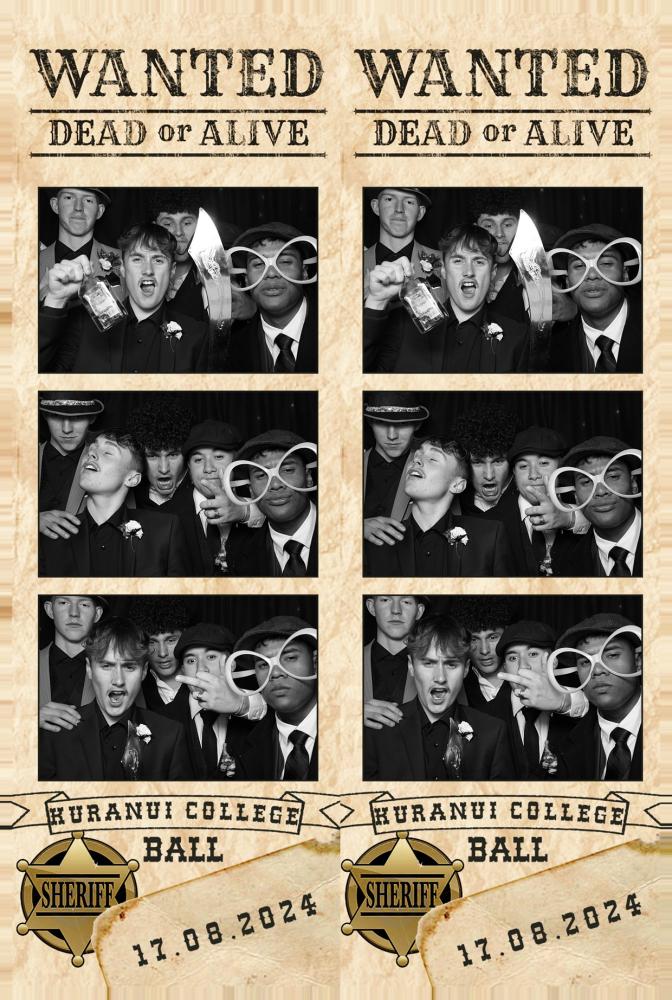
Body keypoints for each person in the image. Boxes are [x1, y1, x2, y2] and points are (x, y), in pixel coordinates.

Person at [39, 222, 210, 373]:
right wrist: (56, 300)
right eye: (137, 259)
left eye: (158, 260)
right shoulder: (83, 327)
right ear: (122, 268)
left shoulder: (197, 336)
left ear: (172, 270)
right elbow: (36, 378)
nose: (148, 270)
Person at [38, 618, 192, 780]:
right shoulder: (56, 733)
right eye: (106, 666)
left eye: (129, 667)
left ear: (144, 671)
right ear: (89, 669)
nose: (118, 680)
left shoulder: (170, 735)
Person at [364, 223, 530, 373]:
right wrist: (376, 301)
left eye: (479, 261)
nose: (469, 271)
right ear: (443, 269)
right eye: (458, 261)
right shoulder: (403, 327)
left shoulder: (517, 338)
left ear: (493, 272)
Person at [363, 614, 513, 780]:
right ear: (411, 666)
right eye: (428, 663)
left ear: (465, 669)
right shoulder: (378, 732)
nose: (440, 677)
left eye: (451, 664)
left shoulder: (493, 733)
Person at [38, 430, 189, 577]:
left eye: (107, 453)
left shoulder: (164, 531)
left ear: (132, 479)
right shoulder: (52, 536)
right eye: (91, 449)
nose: (91, 454)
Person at [364, 437, 512, 577]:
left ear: (457, 485)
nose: (417, 461)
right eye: (416, 457)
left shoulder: (488, 537)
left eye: (433, 459)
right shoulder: (378, 540)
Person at [163, 624, 260, 780]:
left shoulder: (255, 712)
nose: (201, 669)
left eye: (211, 657)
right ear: (183, 670)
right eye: (191, 660)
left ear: (231, 664)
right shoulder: (163, 720)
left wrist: (241, 705)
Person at [554, 614, 642, 780]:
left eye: (612, 655)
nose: (597, 670)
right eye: (585, 662)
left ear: (638, 662)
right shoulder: (567, 744)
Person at [170, 419, 261, 576]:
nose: (208, 468)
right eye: (198, 460)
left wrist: (244, 511)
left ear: (236, 461)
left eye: (218, 457)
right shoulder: (166, 516)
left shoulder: (261, 504)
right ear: (189, 467)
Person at [231, 617, 318, 780]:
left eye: (290, 658)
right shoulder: (240, 747)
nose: (275, 673)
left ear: (316, 663)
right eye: (263, 664)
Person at [224, 222, 318, 373]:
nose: (271, 273)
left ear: (304, 271)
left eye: (285, 261)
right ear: (246, 279)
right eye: (258, 264)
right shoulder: (231, 352)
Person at [548, 223, 642, 373]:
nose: (592, 275)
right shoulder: (552, 353)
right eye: (579, 266)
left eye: (605, 263)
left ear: (625, 273)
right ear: (567, 280)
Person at [225, 430, 318, 577]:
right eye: (261, 475)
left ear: (308, 478)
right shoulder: (238, 553)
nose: (275, 484)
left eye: (287, 470)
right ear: (251, 490)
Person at [494, 621, 577, 779]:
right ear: (504, 667)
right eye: (513, 658)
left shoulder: (577, 713)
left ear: (553, 661)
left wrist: (563, 703)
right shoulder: (485, 718)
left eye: (532, 654)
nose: (523, 667)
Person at [553, 437, 642, 577]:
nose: (600, 491)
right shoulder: (564, 564)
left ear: (634, 485)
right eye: (586, 482)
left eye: (613, 476)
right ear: (576, 496)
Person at [363, 393, 429, 547]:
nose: (392, 436)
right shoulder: (343, 468)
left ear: (417, 424)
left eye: (403, 423)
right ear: (370, 422)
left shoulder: (432, 470)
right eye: (381, 422)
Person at [38, 393, 104, 541]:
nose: (66, 429)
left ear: (92, 417)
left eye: (77, 417)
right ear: (45, 415)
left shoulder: (107, 464)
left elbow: (126, 526)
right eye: (56, 416)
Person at [38, 595, 106, 731]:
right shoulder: (19, 667)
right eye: (64, 602)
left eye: (84, 604)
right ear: (50, 610)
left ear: (97, 614)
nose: (74, 613)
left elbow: (138, 730)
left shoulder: (118, 669)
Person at [39, 187, 117, 302]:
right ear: (55, 205)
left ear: (99, 211)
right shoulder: (29, 264)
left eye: (88, 200)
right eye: (69, 197)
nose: (78, 208)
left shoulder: (125, 261)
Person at [363, 187, 443, 299]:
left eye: (409, 202)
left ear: (420, 212)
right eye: (389, 199)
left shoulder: (446, 263)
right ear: (376, 206)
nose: (399, 209)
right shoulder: (349, 266)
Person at [363, 595, 426, 729]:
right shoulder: (344, 664)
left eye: (406, 602)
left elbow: (459, 726)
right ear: (371, 607)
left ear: (419, 611)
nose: (396, 610)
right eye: (385, 600)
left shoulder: (440, 665)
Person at [127, 396, 194, 512]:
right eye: (152, 456)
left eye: (173, 455)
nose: (164, 469)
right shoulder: (129, 495)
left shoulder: (201, 494)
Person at [469, 189, 527, 323]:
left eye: (507, 225)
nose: (499, 234)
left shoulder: (535, 274)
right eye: (489, 225)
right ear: (475, 230)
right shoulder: (463, 273)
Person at [131, 597, 192, 711]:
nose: (162, 653)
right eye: (152, 642)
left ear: (185, 636)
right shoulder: (134, 690)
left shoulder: (204, 680)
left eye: (170, 640)